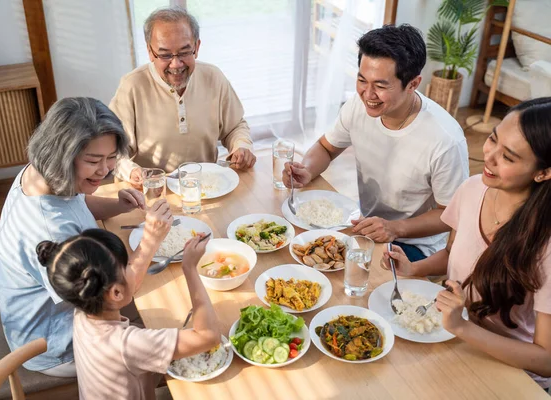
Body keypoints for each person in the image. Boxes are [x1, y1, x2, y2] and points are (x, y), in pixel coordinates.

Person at [383, 97, 551, 390]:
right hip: (452, 339)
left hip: (512, 373)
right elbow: (452, 253)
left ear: (543, 172)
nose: (489, 157)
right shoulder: (473, 188)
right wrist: (413, 269)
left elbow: (546, 360)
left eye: (509, 157)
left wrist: (461, 327)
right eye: (492, 139)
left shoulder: (546, 244)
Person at [0, 97, 167, 377]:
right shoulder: (49, 229)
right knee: (172, 325)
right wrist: (151, 240)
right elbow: (113, 298)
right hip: (56, 344)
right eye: (93, 161)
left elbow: (75, 204)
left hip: (56, 310)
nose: (106, 170)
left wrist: (117, 205)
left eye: (111, 158)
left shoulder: (41, 175)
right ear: (61, 156)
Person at [283, 24, 469, 261]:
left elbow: (451, 215)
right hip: (366, 228)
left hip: (413, 243)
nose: (367, 94)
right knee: (303, 253)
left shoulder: (445, 140)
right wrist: (306, 170)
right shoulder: (357, 106)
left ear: (413, 83)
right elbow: (326, 148)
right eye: (362, 80)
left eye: (380, 86)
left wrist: (395, 228)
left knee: (346, 280)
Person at [38, 228, 220, 400]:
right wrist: (189, 268)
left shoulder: (82, 311)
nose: (132, 267)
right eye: (127, 265)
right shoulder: (127, 344)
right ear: (116, 293)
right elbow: (209, 337)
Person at [110, 6, 256, 187]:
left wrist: (241, 146)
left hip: (207, 187)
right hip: (153, 191)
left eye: (185, 52)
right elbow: (113, 150)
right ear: (150, 51)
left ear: (197, 46)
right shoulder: (131, 85)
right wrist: (131, 170)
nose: (176, 64)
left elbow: (235, 126)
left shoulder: (213, 77)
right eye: (164, 55)